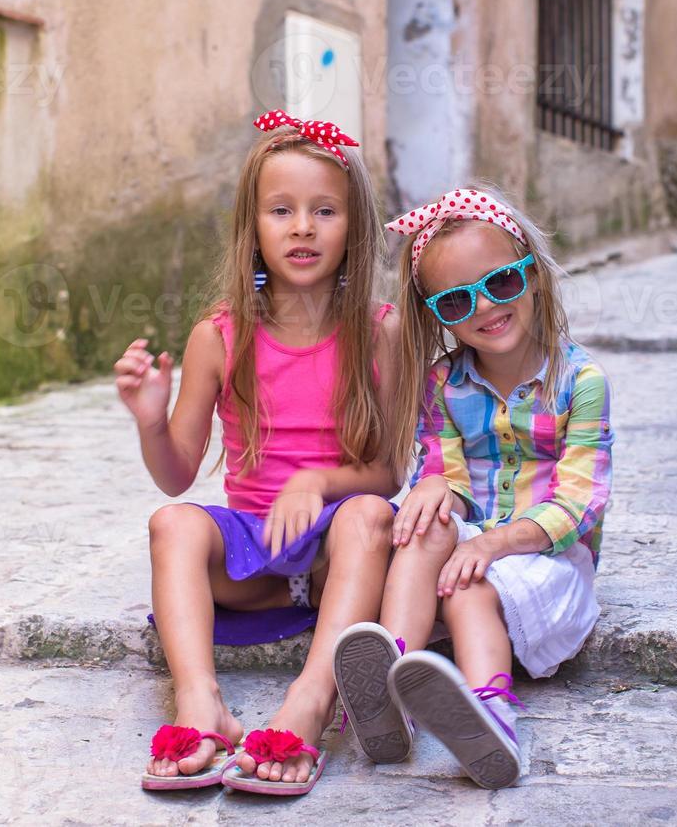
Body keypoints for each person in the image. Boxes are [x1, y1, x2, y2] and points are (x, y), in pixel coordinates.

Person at [115, 110, 399, 796]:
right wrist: (151, 422)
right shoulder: (218, 335)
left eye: (324, 210)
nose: (301, 227)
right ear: (254, 227)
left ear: (353, 228)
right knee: (172, 525)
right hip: (253, 558)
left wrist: (317, 480)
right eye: (281, 210)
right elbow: (176, 476)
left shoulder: (378, 331)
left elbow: (389, 471)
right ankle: (199, 702)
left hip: (340, 555)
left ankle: (309, 704)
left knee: (366, 514)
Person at [333, 187, 613, 790]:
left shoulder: (581, 383)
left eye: (501, 284)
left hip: (547, 561)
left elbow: (578, 504)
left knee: (469, 584)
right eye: (458, 300)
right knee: (425, 522)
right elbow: (448, 468)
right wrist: (439, 489)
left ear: (532, 275)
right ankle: (391, 685)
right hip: (469, 543)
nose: (485, 307)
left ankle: (492, 715)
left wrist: (490, 546)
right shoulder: (443, 383)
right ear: (437, 313)